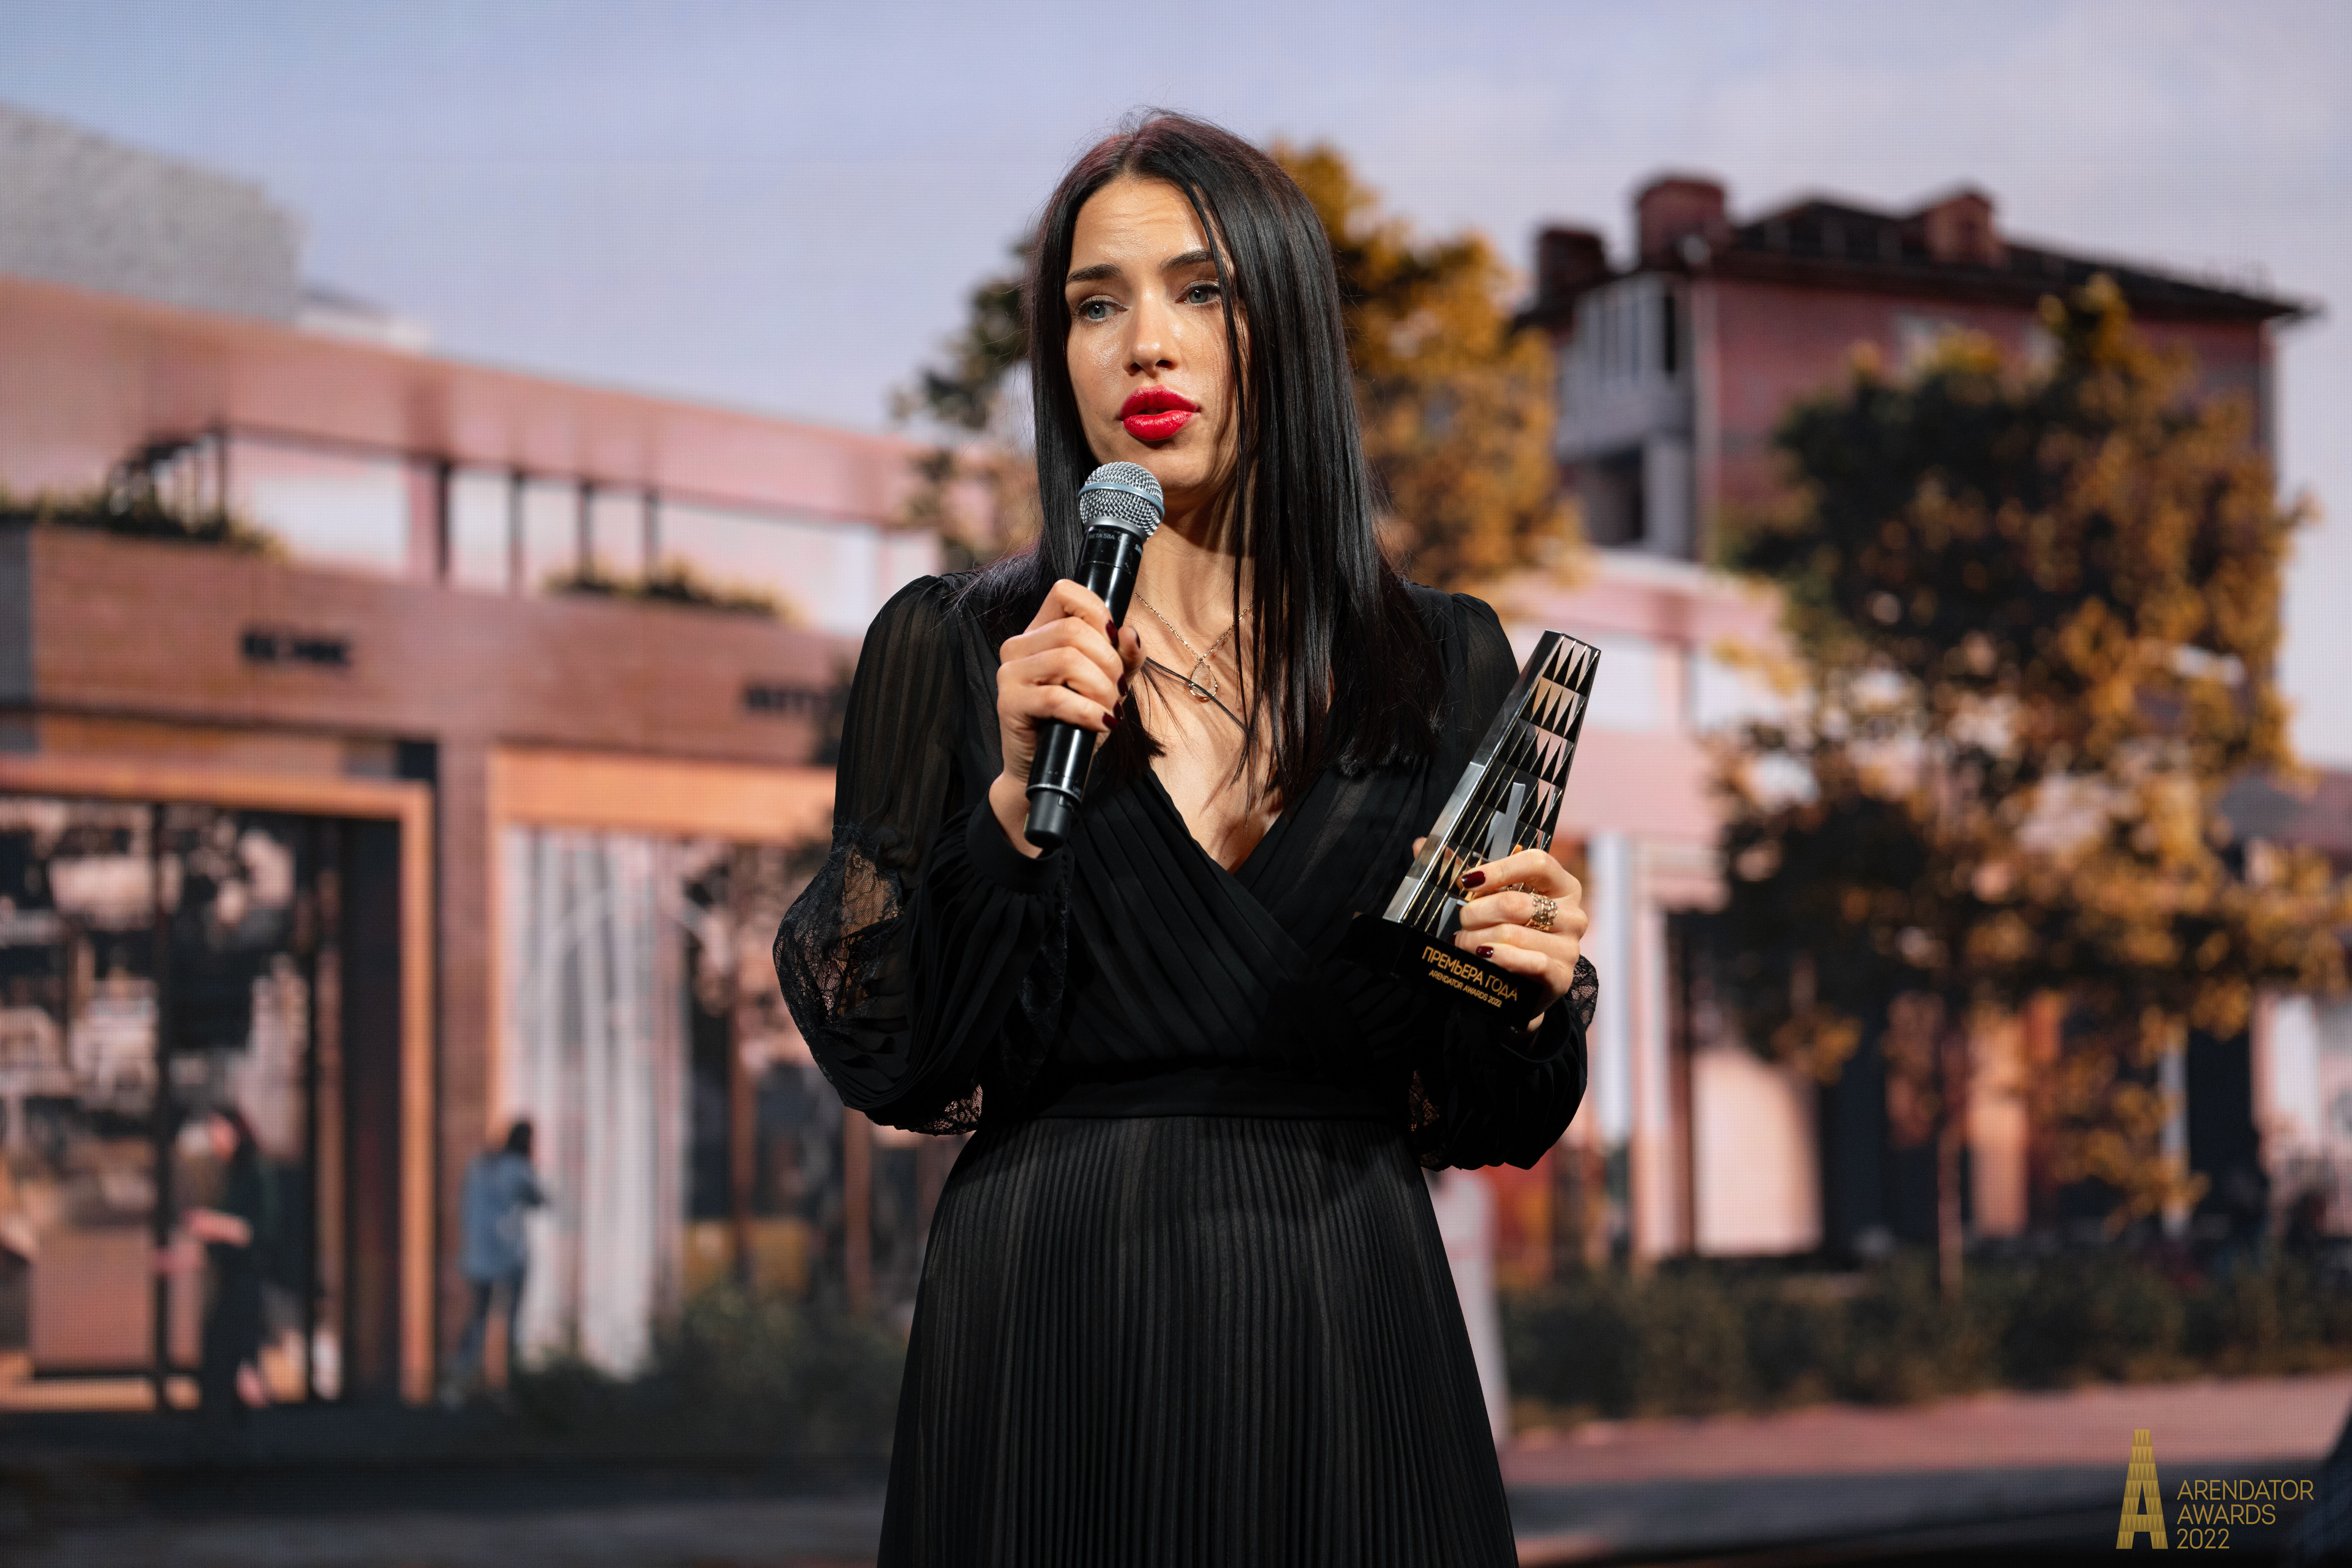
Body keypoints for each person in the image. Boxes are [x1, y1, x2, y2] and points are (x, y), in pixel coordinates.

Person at [775, 111, 1594, 1565]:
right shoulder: (957, 648)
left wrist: (1522, 986)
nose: (1145, 344)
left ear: (1287, 325)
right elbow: (891, 1052)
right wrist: (1009, 812)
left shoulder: (1445, 663)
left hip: (1352, 1327)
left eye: (1201, 291)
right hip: (1051, 1335)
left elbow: (1488, 1110)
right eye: (1097, 305)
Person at [179, 1106, 271, 1418]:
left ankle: (259, 1427)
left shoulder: (255, 1173)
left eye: (219, 1130)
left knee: (242, 1361)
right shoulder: (228, 1173)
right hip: (227, 1281)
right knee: (227, 1361)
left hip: (245, 1283)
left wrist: (215, 1225)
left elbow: (260, 1231)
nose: (215, 1139)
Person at [452, 1119, 545, 1398]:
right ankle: (512, 1384)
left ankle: (461, 1381)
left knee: (479, 1318)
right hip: (510, 1256)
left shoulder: (480, 1166)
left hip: (478, 1255)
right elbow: (541, 1200)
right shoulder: (518, 1169)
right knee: (512, 1321)